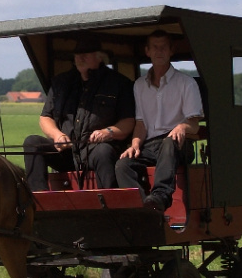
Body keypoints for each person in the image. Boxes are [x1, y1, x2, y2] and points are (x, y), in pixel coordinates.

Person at [23, 39, 135, 191]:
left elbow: (128, 121)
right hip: (67, 152)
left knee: (104, 151)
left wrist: (107, 132)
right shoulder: (61, 83)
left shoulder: (119, 83)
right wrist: (57, 136)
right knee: (32, 143)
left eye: (86, 54)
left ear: (100, 57)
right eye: (77, 55)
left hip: (96, 151)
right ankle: (39, 201)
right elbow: (45, 118)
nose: (80, 58)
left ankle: (109, 207)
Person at [115, 29, 205, 211]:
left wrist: (182, 126)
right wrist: (134, 145)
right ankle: (141, 208)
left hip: (179, 145)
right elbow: (141, 123)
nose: (159, 51)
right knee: (123, 164)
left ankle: (160, 197)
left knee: (169, 141)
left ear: (171, 50)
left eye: (163, 47)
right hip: (150, 146)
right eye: (155, 47)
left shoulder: (186, 83)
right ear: (147, 51)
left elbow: (194, 125)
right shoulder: (139, 85)